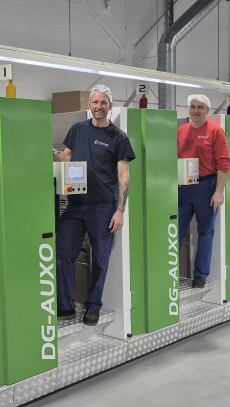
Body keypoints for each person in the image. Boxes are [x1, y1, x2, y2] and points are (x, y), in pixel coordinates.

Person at [54, 85, 135, 326]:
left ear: (110, 106)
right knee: (63, 254)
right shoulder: (77, 129)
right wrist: (51, 153)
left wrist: (120, 210)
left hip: (102, 207)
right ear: (89, 105)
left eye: (103, 102)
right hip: (75, 204)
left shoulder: (119, 137)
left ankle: (93, 305)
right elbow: (67, 157)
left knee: (100, 259)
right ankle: (65, 305)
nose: (99, 107)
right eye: (95, 102)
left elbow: (124, 176)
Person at [177, 94, 230, 289]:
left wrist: (219, 192)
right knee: (175, 230)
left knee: (205, 231)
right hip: (183, 186)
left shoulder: (216, 131)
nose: (195, 111)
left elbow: (224, 162)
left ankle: (200, 275)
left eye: (200, 107)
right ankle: (170, 273)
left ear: (207, 110)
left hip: (206, 187)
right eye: (192, 107)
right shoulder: (182, 130)